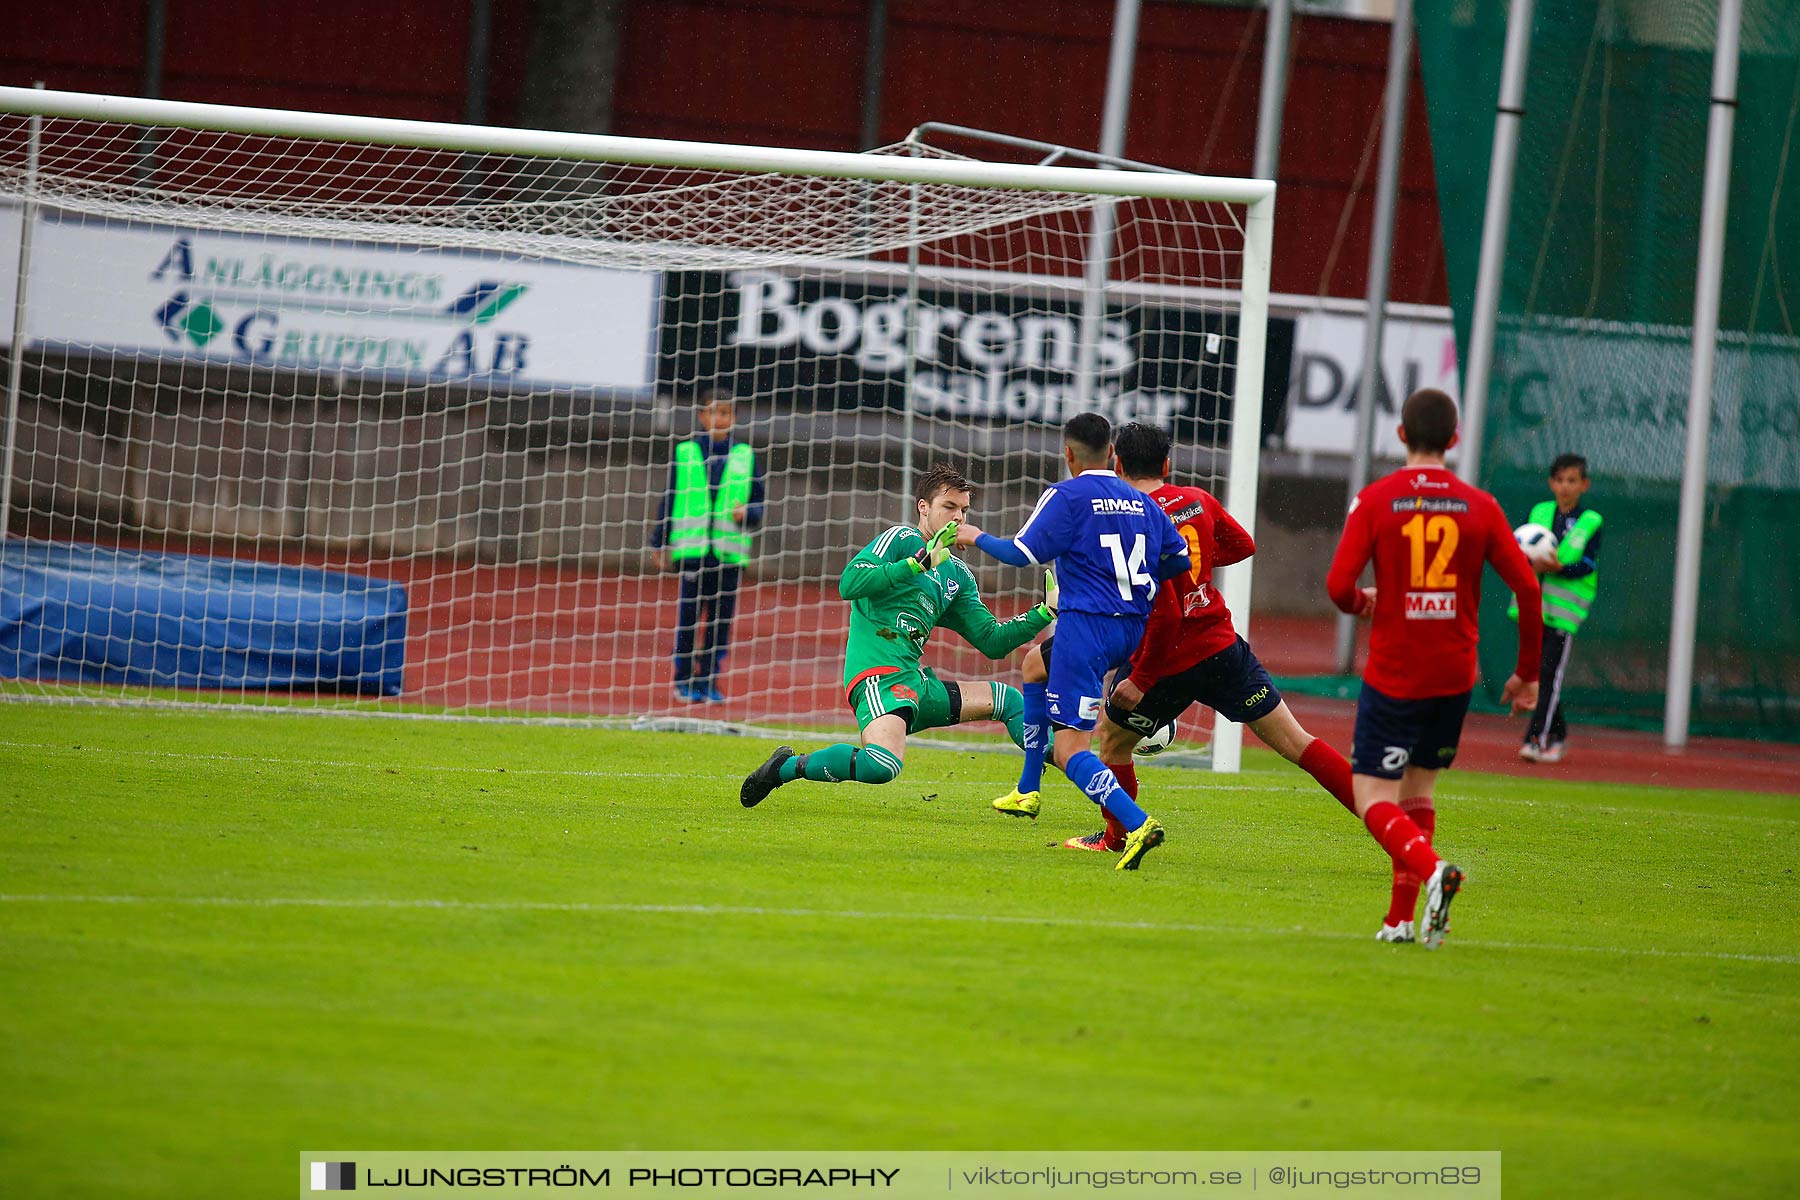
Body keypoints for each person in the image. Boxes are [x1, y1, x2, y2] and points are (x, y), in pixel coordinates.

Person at [1069, 422, 1361, 854]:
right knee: (1298, 742)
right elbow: (1244, 545)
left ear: (1117, 462)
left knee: (1112, 739)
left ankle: (1115, 838)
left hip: (1166, 658)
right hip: (1222, 647)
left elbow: (1163, 611)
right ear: (1167, 464)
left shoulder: (1128, 515)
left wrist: (1143, 678)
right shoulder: (1197, 500)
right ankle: (1390, 822)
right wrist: (1194, 569)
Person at [1325, 388, 1543, 949]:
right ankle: (1400, 920)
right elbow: (1527, 586)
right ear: (1455, 439)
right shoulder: (1482, 506)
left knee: (1373, 798)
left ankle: (1433, 871)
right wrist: (1527, 674)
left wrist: (1361, 604)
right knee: (1416, 792)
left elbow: (1338, 587)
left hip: (1398, 674)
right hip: (1453, 677)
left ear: (1401, 435)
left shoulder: (1377, 498)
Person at [955, 412, 1192, 871]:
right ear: (1113, 455)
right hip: (1132, 628)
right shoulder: (1145, 502)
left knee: (1069, 750)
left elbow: (1020, 553)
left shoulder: (1066, 495)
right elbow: (1177, 562)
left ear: (1068, 454)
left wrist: (975, 534)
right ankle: (1027, 790)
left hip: (1086, 632)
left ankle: (1137, 823)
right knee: (1033, 666)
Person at [738, 462, 1052, 808]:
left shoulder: (958, 575)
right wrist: (917, 563)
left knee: (1009, 701)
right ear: (923, 507)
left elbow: (992, 640)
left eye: (963, 510)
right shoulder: (901, 540)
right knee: (882, 766)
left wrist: (1044, 612)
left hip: (915, 683)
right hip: (878, 676)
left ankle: (1066, 758)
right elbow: (850, 583)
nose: (958, 518)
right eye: (948, 507)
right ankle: (784, 768)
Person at [650, 389, 766, 704]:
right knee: (688, 618)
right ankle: (683, 679)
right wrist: (659, 540)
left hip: (728, 552)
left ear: (733, 418)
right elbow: (670, 497)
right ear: (703, 416)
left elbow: (759, 502)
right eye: (713, 413)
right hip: (693, 550)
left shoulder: (745, 454)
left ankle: (709, 680)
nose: (719, 419)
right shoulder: (686, 452)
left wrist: (748, 513)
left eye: (725, 413)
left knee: (720, 622)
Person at [1512, 453, 1603, 764]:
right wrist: (1528, 562)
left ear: (1584, 485)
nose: (1565, 486)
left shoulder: (1591, 521)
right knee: (1541, 675)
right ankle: (1559, 734)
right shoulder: (1539, 512)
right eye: (1560, 480)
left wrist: (1558, 567)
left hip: (1563, 613)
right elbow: (1517, 551)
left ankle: (1536, 739)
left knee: (1549, 675)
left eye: (1572, 481)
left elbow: (1588, 563)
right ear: (1552, 483)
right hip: (1532, 608)